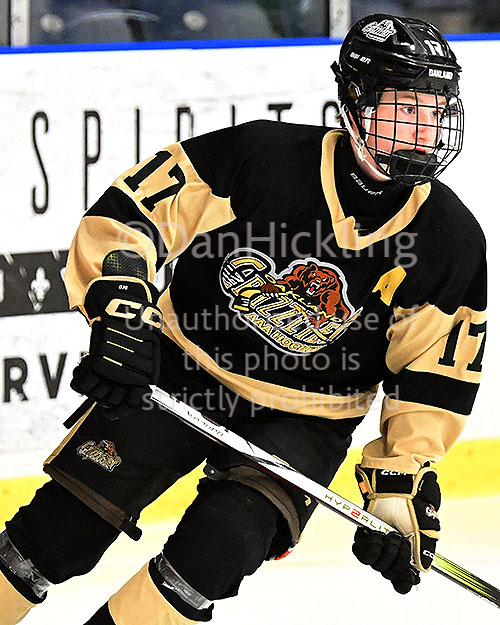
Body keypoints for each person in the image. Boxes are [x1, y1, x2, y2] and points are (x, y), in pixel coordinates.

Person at [0, 13, 487, 625]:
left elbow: (433, 376)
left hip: (308, 419)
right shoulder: (262, 157)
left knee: (216, 551)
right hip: (181, 371)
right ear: (355, 101)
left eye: (433, 110)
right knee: (57, 533)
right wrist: (122, 310)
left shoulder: (450, 241)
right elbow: (132, 214)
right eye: (403, 107)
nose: (421, 128)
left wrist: (398, 484)